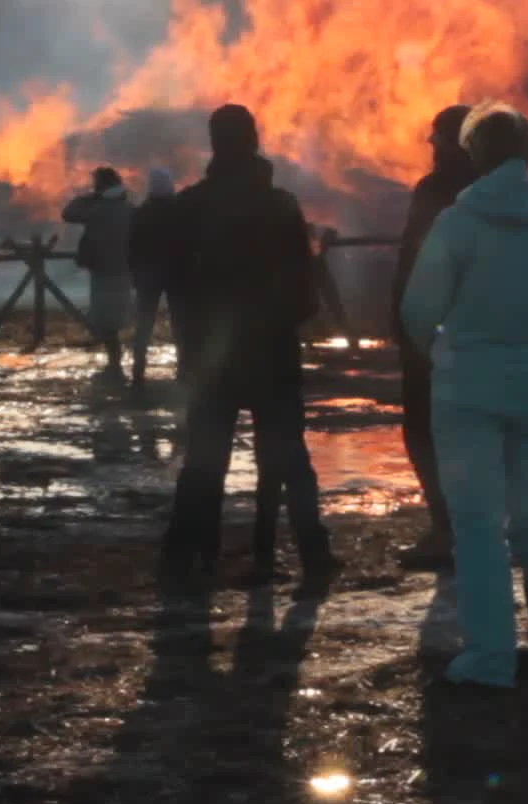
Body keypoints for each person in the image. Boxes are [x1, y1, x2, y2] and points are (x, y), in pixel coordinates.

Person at [399, 102, 528, 689]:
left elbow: (418, 309)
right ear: (525, 153)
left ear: (473, 153)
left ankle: (489, 658)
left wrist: (443, 356)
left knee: (477, 523)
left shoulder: (456, 223)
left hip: (466, 390)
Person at [161, 104, 334, 584]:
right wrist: (280, 322)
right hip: (272, 354)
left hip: (212, 359)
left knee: (204, 460)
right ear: (255, 141)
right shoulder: (280, 207)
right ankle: (313, 555)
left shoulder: (190, 207)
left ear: (214, 144)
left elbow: (176, 288)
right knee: (288, 457)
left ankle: (186, 559)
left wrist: (190, 348)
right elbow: (305, 289)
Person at [389, 104, 476, 570]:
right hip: (479, 332)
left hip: (433, 331)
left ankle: (447, 526)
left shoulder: (437, 191)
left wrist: (403, 319)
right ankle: (469, 524)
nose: (431, 146)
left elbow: (413, 258)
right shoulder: (491, 190)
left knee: (424, 428)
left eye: (437, 137)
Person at [62, 166, 135, 381]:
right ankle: (120, 362)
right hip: (123, 269)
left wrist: (89, 197)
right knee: (116, 317)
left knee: (106, 321)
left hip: (103, 270)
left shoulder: (97, 208)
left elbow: (68, 212)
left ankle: (115, 365)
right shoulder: (129, 208)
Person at [126, 167, 178, 387]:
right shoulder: (180, 211)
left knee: (144, 322)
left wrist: (134, 271)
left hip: (148, 274)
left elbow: (132, 245)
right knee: (181, 322)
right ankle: (186, 367)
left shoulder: (141, 213)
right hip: (177, 274)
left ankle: (139, 368)